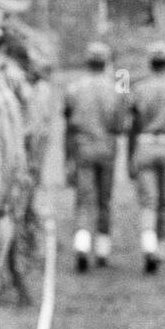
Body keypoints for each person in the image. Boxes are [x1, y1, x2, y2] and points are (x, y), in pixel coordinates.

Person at [63, 41, 123, 270]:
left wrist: (67, 159)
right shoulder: (115, 88)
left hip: (82, 148)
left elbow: (68, 125)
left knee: (83, 200)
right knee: (104, 201)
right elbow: (119, 125)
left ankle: (82, 244)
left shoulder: (74, 87)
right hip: (107, 148)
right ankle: (102, 249)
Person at [129, 40, 165, 273]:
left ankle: (148, 245)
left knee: (149, 201)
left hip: (145, 145)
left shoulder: (139, 87)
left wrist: (130, 156)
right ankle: (162, 245)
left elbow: (132, 123)